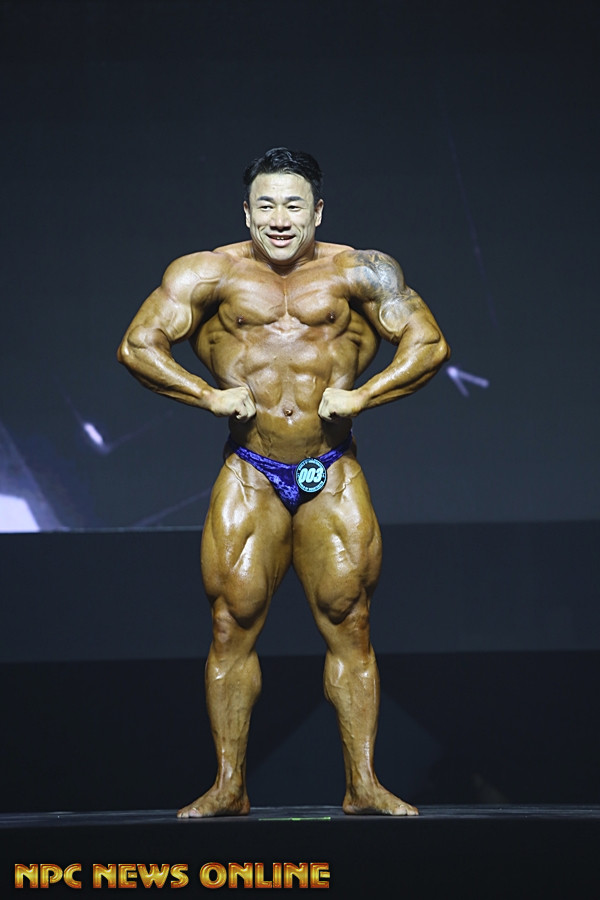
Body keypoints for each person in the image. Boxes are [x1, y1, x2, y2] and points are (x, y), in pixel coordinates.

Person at [118, 147, 450, 817]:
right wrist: (206, 395)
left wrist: (364, 395)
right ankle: (229, 786)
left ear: (317, 211)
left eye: (293, 205)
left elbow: (429, 344)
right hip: (252, 471)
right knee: (230, 624)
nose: (279, 218)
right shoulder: (208, 272)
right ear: (246, 213)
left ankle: (363, 785)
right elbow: (138, 345)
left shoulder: (359, 270)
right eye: (265, 204)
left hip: (331, 469)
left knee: (351, 622)